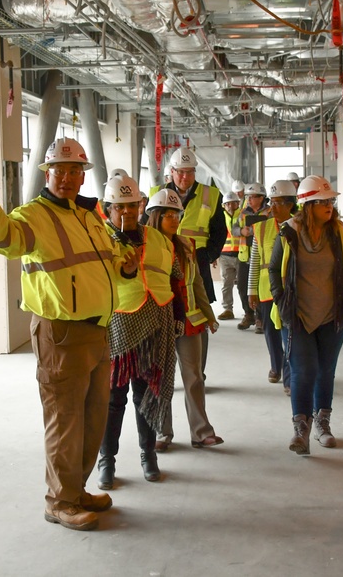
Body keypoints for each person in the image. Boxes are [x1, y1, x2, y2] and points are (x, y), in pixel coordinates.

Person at [0, 137, 139, 533]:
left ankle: (75, 490)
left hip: (98, 329)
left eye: (77, 171)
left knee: (93, 419)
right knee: (65, 419)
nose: (70, 178)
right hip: (61, 333)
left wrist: (125, 265)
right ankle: (59, 501)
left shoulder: (88, 216)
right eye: (62, 170)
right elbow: (3, 239)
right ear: (47, 173)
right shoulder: (33, 216)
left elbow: (107, 262)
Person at [269, 176, 343, 455]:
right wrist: (283, 302)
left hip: (333, 316)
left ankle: (323, 423)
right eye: (322, 202)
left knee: (325, 371)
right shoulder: (289, 232)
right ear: (308, 205)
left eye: (330, 201)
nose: (328, 206)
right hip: (297, 316)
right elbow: (274, 269)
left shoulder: (342, 233)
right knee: (303, 370)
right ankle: (301, 428)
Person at [97, 175, 177, 489]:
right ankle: (108, 461)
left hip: (154, 324)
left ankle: (149, 456)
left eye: (132, 205)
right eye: (120, 207)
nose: (127, 212)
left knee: (147, 394)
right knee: (113, 399)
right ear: (108, 209)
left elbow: (172, 278)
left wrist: (178, 316)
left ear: (140, 205)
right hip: (116, 327)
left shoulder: (157, 239)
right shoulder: (99, 239)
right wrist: (126, 270)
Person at [147, 189, 223, 452]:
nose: (173, 218)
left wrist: (209, 315)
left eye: (176, 213)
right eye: (167, 214)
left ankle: (201, 432)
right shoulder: (145, 246)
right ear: (154, 216)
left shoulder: (186, 245)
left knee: (194, 378)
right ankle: (161, 432)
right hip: (159, 322)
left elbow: (197, 284)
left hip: (190, 321)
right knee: (161, 378)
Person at [151, 148, 226, 376]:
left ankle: (197, 372)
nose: (185, 177)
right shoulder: (156, 193)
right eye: (180, 172)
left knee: (199, 316)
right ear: (172, 172)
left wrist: (206, 256)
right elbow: (148, 229)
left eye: (190, 172)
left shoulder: (210, 195)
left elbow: (219, 233)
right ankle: (166, 372)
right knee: (165, 312)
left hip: (197, 265)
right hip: (163, 265)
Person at [248, 180, 297, 392]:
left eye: (278, 203)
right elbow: (255, 261)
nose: (273, 207)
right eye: (272, 202)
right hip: (267, 290)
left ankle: (288, 376)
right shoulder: (262, 228)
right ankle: (276, 367)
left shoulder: (300, 226)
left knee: (290, 334)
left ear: (291, 204)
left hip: (293, 291)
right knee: (272, 334)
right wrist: (251, 290)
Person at [236, 182, 268, 331]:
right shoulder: (243, 213)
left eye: (252, 197)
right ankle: (248, 315)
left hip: (262, 256)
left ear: (261, 198)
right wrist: (241, 231)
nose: (248, 199)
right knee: (242, 287)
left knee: (260, 287)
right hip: (244, 255)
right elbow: (234, 228)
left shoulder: (270, 212)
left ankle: (260, 318)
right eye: (247, 196)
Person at [216, 192, 242, 320]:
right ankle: (227, 309)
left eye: (233, 203)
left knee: (244, 285)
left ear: (238, 203)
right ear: (223, 205)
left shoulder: (243, 216)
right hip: (224, 255)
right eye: (228, 203)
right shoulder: (219, 217)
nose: (231, 206)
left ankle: (249, 311)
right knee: (226, 284)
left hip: (241, 255)